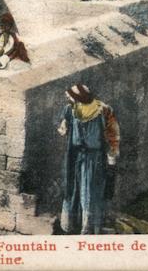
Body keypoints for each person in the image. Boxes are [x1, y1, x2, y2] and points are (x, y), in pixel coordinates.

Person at [58, 84, 120, 235]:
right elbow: (64, 127)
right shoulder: (70, 109)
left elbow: (113, 133)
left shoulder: (103, 110)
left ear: (80, 97)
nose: (68, 98)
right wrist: (64, 128)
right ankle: (71, 225)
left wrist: (111, 155)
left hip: (94, 158)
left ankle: (89, 228)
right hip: (75, 156)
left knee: (90, 191)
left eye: (70, 95)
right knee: (72, 188)